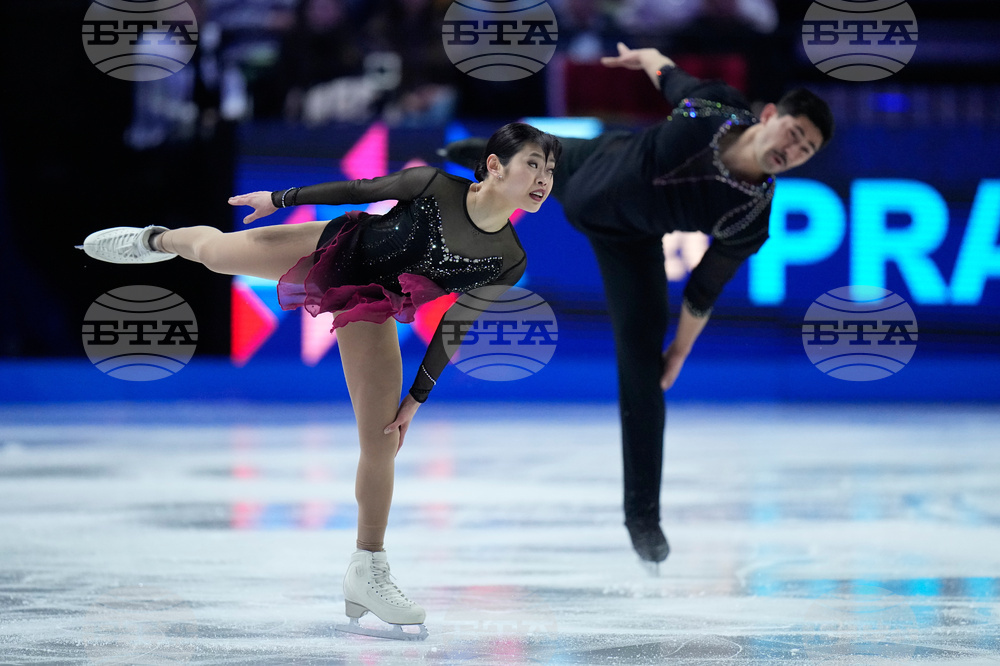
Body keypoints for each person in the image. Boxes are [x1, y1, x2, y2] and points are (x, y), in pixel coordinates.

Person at [78, 122, 561, 638]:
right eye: (533, 163)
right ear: (494, 166)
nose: (543, 179)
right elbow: (359, 191)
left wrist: (416, 399)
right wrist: (278, 197)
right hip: (336, 248)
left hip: (371, 304)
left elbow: (455, 323)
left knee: (383, 439)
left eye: (550, 170)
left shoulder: (510, 259)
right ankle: (156, 239)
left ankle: (368, 568)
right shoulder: (435, 185)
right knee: (217, 255)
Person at [446, 43, 833, 572]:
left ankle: (642, 518)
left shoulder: (750, 217)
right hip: (591, 164)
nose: (794, 149)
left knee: (643, 376)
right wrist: (647, 57)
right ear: (769, 116)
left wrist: (677, 352)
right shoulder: (716, 106)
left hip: (630, 245)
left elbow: (704, 289)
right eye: (794, 133)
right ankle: (455, 153)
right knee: (510, 152)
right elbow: (671, 78)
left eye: (806, 150)